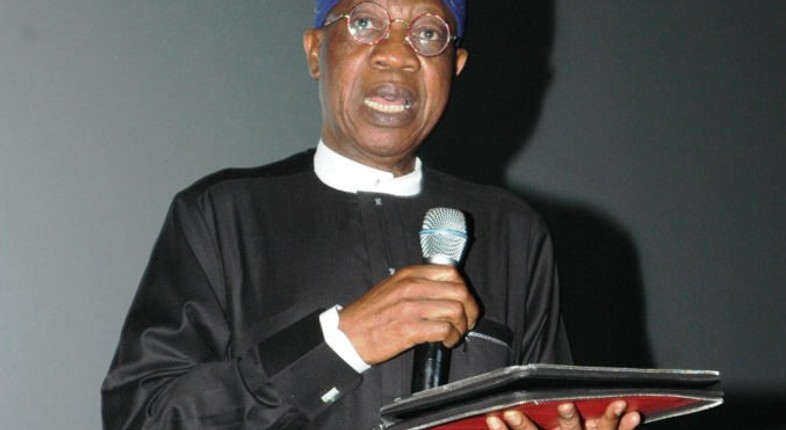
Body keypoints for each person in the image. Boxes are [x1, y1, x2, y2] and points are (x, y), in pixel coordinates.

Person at [101, 1, 642, 429]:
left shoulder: (513, 232)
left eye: (428, 32)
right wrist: (342, 344)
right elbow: (144, 417)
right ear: (316, 51)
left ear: (454, 68)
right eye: (364, 22)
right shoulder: (222, 215)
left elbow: (551, 408)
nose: (397, 53)